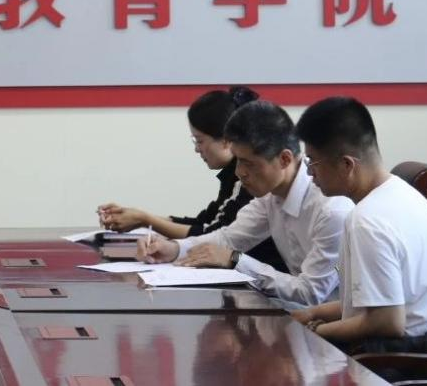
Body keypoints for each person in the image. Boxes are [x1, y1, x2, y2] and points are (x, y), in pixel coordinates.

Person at [138, 100, 352, 307]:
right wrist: (174, 248)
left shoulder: (331, 210)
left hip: (332, 324)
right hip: (297, 311)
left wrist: (235, 260)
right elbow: (228, 238)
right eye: (238, 160)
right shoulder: (270, 196)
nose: (240, 172)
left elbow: (312, 293)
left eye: (249, 163)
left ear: (284, 159)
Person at [290, 96, 427, 347]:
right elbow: (371, 304)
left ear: (347, 164)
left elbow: (386, 322)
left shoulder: (367, 221)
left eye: (313, 162)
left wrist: (316, 331)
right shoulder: (403, 194)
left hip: (408, 360)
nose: (309, 173)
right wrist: (313, 314)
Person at [97, 85, 286, 271]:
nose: (196, 149)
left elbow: (213, 234)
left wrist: (145, 219)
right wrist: (157, 232)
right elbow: (218, 231)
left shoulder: (253, 183)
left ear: (227, 140)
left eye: (199, 140)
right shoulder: (242, 181)